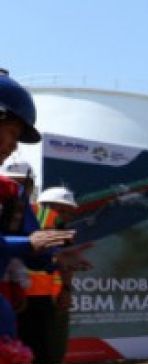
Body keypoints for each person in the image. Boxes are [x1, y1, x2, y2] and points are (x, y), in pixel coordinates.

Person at [0, 72, 84, 340]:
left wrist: (54, 258)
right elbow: (26, 242)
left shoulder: (9, 193)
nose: (14, 146)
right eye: (12, 132)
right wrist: (27, 245)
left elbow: (29, 241)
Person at [19, 187, 80, 364]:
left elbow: (67, 266)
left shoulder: (62, 231)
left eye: (68, 212)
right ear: (43, 206)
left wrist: (66, 290)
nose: (64, 215)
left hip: (51, 299)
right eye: (60, 209)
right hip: (27, 298)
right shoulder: (28, 226)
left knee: (50, 353)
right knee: (31, 352)